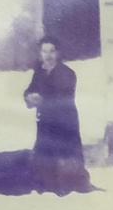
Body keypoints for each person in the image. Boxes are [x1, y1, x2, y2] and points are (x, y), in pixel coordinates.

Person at [23, 36, 93, 195]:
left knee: (65, 157)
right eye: (44, 51)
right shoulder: (39, 71)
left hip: (64, 123)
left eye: (52, 51)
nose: (48, 55)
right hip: (45, 122)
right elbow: (30, 89)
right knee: (43, 155)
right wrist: (28, 97)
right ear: (40, 53)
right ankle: (46, 186)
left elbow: (61, 97)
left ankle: (69, 186)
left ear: (58, 53)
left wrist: (41, 99)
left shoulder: (67, 73)